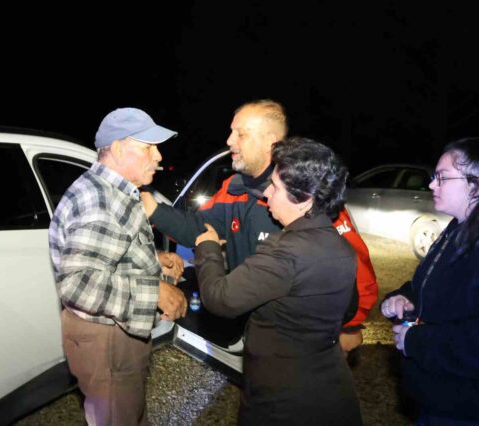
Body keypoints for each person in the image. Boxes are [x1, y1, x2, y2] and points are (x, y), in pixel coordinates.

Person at [142, 99, 378, 353]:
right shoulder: (234, 188)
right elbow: (198, 228)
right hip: (253, 326)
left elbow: (353, 268)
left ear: (270, 142)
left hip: (296, 342)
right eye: (231, 132)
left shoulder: (302, 196)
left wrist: (349, 327)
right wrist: (154, 209)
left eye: (241, 134)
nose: (230, 141)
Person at [194, 137, 362, 425]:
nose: (265, 194)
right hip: (331, 390)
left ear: (305, 199)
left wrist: (208, 247)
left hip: (283, 401)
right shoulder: (341, 247)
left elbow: (220, 299)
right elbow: (347, 309)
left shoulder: (285, 250)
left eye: (275, 186)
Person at [49, 107, 188, 426]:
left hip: (111, 335)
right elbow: (79, 284)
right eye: (148, 147)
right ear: (119, 148)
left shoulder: (110, 190)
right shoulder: (101, 200)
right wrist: (154, 292)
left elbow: (108, 251)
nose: (158, 156)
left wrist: (153, 259)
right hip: (107, 339)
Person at [380, 138, 479, 424]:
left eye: (442, 177)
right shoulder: (457, 228)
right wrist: (403, 297)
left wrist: (415, 341)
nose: (432, 185)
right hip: (440, 400)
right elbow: (434, 288)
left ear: (475, 184)